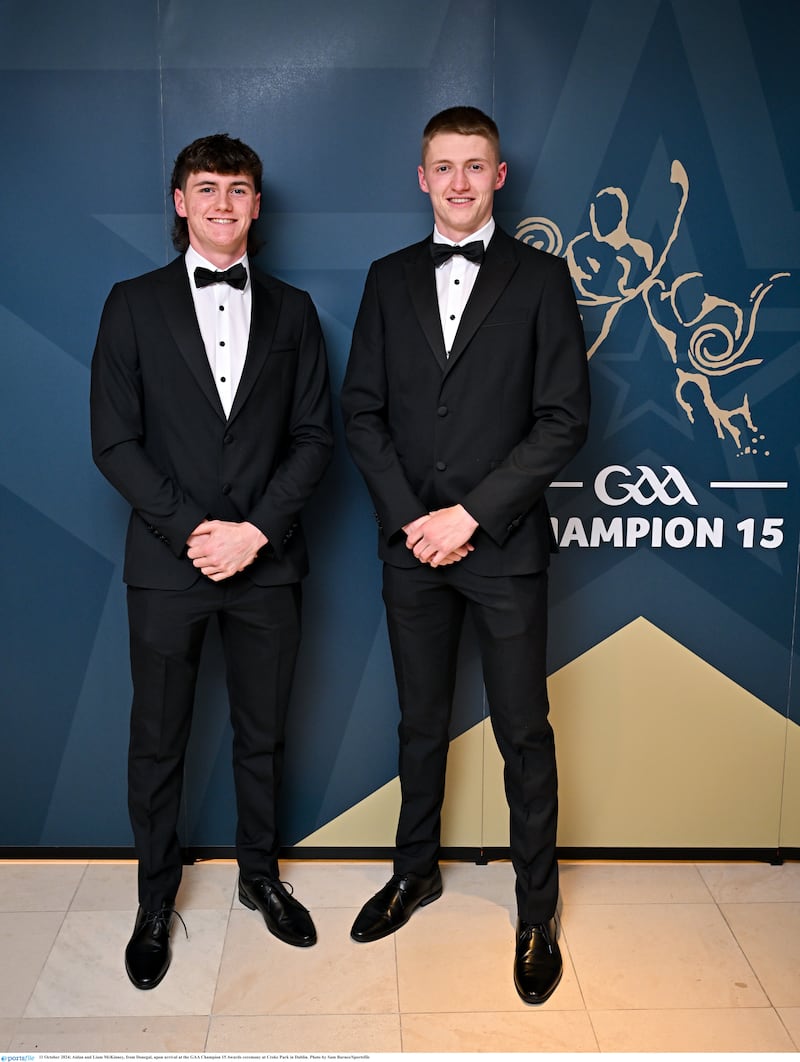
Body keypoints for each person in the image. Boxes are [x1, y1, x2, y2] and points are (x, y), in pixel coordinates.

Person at [340, 106, 589, 1004]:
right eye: (442, 166)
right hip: (412, 548)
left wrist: (470, 517)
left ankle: (535, 912)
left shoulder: (542, 279)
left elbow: (563, 419)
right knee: (418, 722)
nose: (456, 181)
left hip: (505, 547)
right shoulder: (386, 278)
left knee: (525, 732)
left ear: (498, 177)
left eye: (473, 166)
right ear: (421, 178)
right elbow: (360, 411)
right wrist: (417, 520)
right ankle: (417, 871)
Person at [90, 134, 333, 990]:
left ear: (257, 205)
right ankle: (156, 899)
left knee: (262, 736)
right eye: (206, 188)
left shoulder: (296, 313)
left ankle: (259, 876)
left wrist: (253, 533)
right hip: (167, 567)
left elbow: (313, 440)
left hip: (268, 566)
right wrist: (199, 531)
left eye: (238, 189)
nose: (223, 202)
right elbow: (114, 443)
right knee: (158, 742)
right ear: (180, 202)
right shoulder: (130, 304)